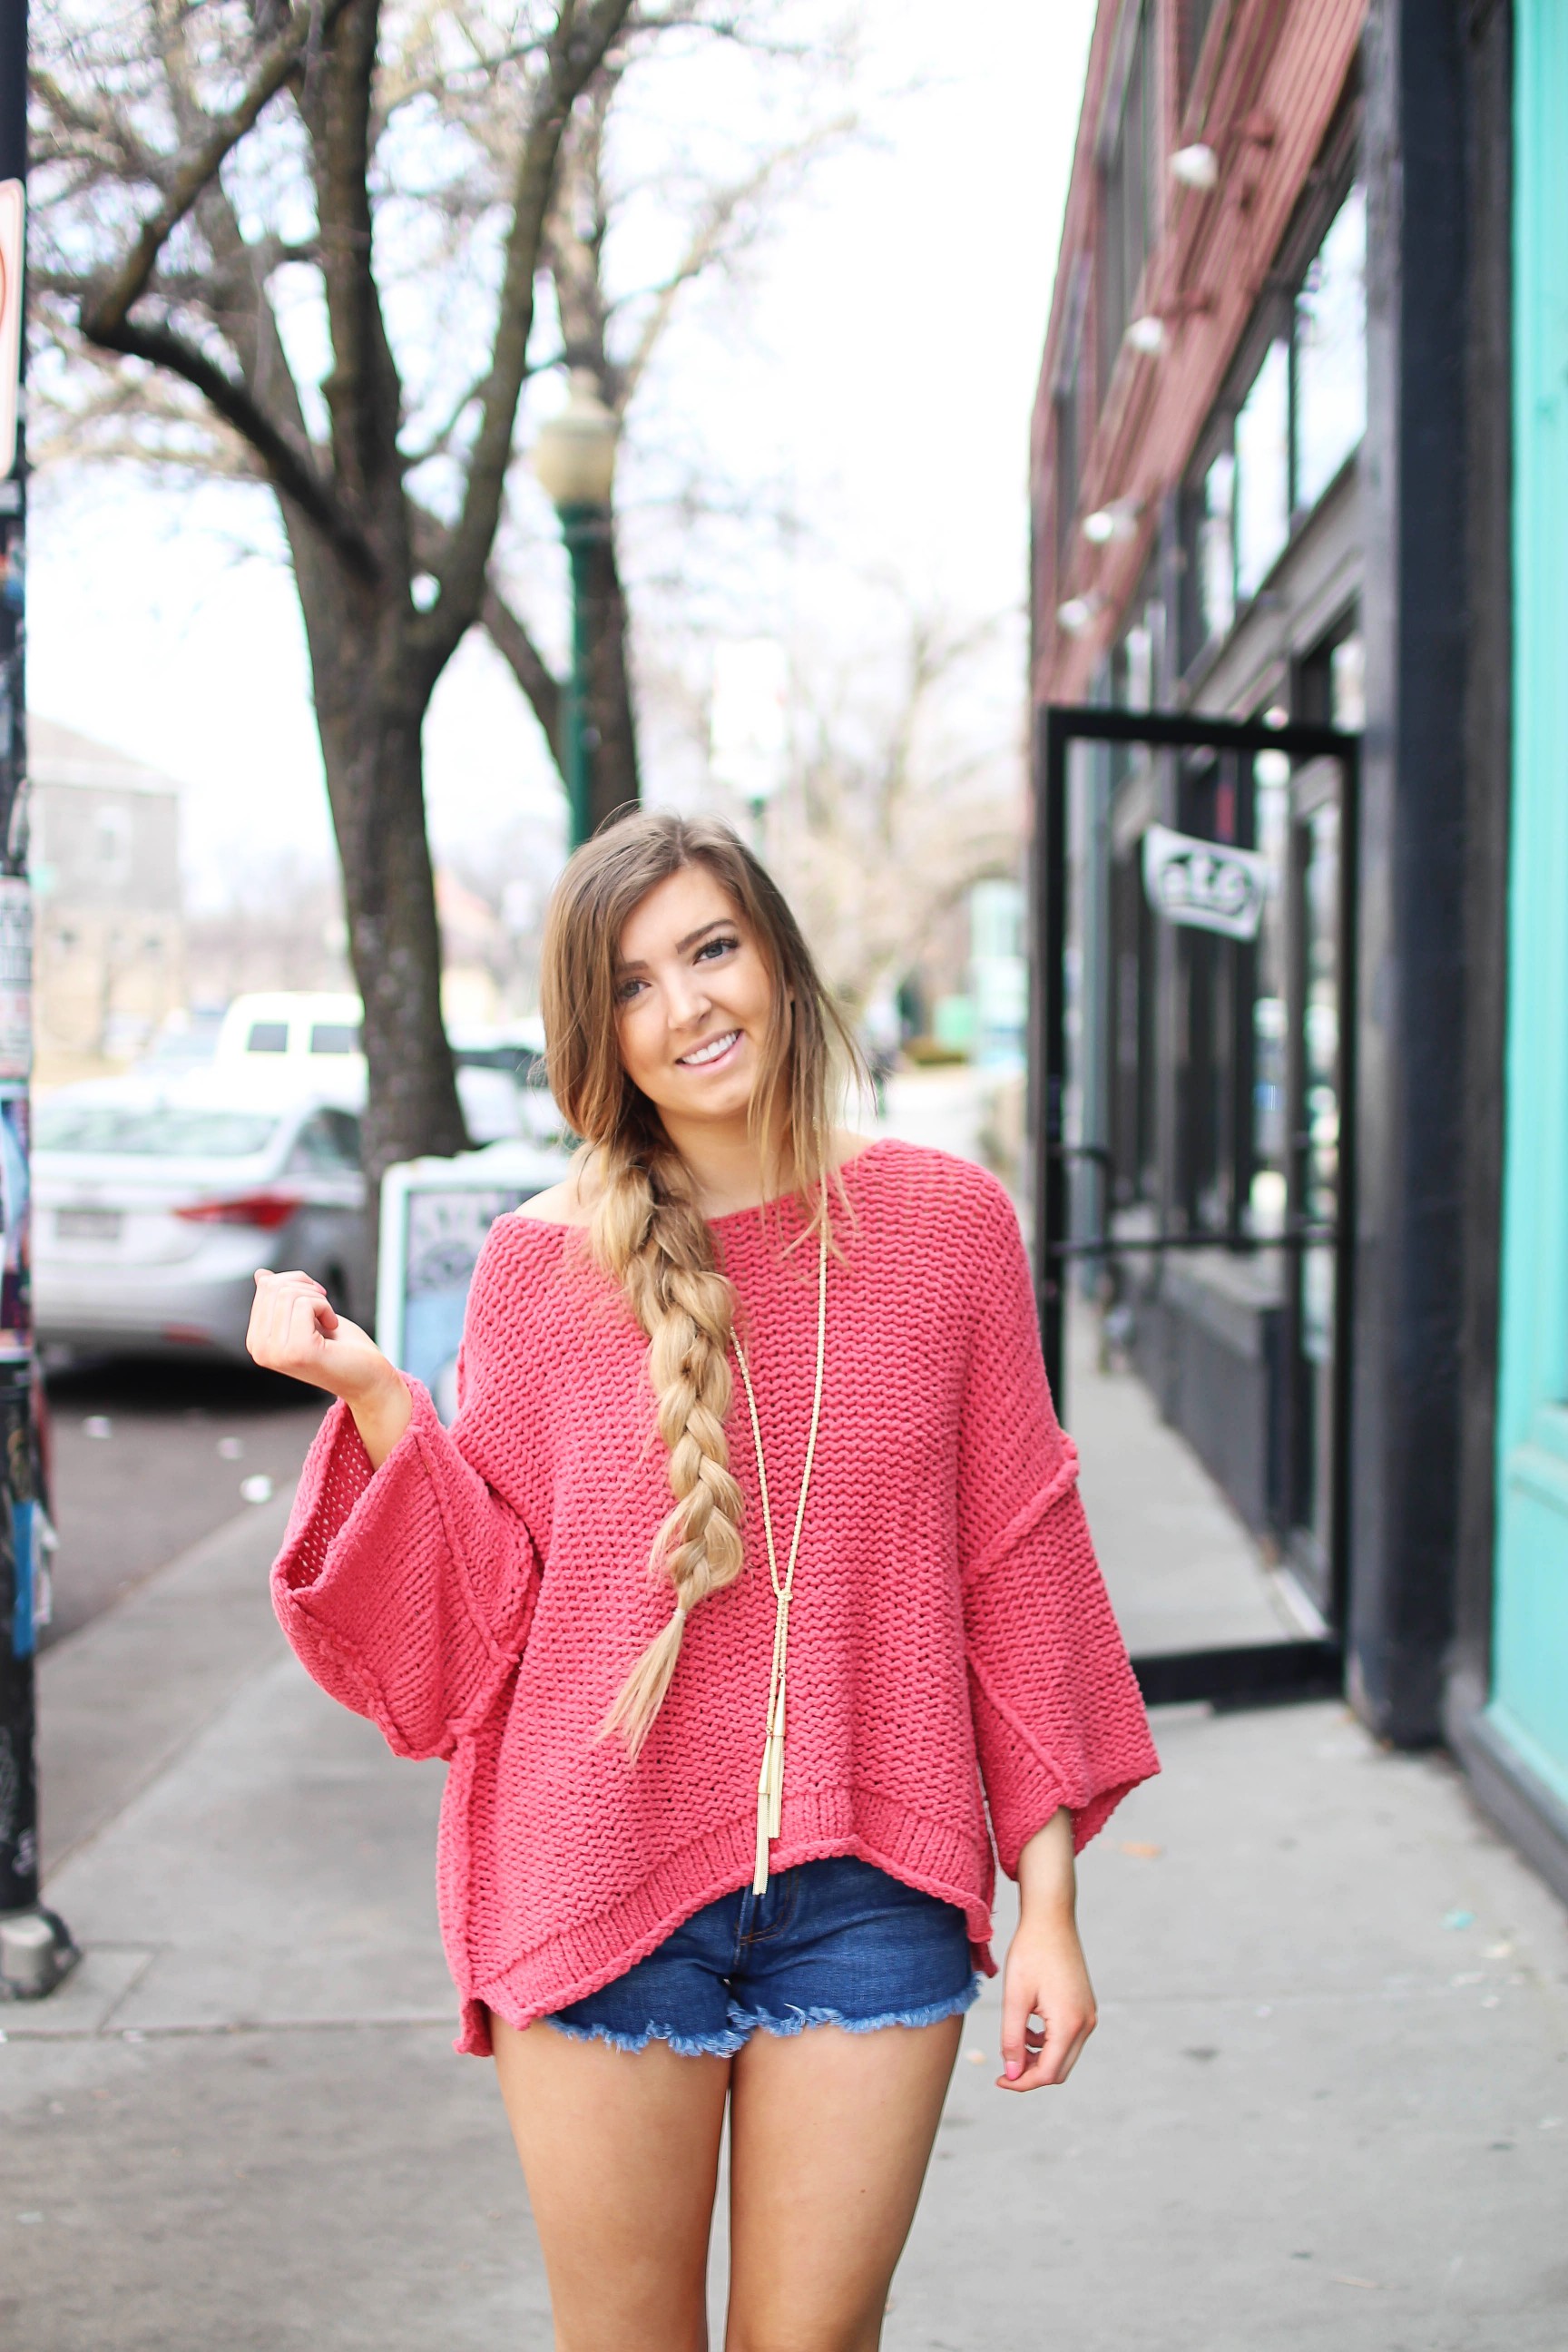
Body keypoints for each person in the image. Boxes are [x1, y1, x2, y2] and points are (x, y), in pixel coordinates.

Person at [250, 812, 1159, 2352]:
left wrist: (1053, 1902)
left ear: (780, 962)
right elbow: (470, 1650)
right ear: (598, 1035)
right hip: (597, 1884)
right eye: (634, 984)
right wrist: (385, 1408)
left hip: (876, 1882)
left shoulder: (950, 1230)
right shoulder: (541, 1270)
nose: (688, 1007)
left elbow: (1018, 1564)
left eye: (713, 949)